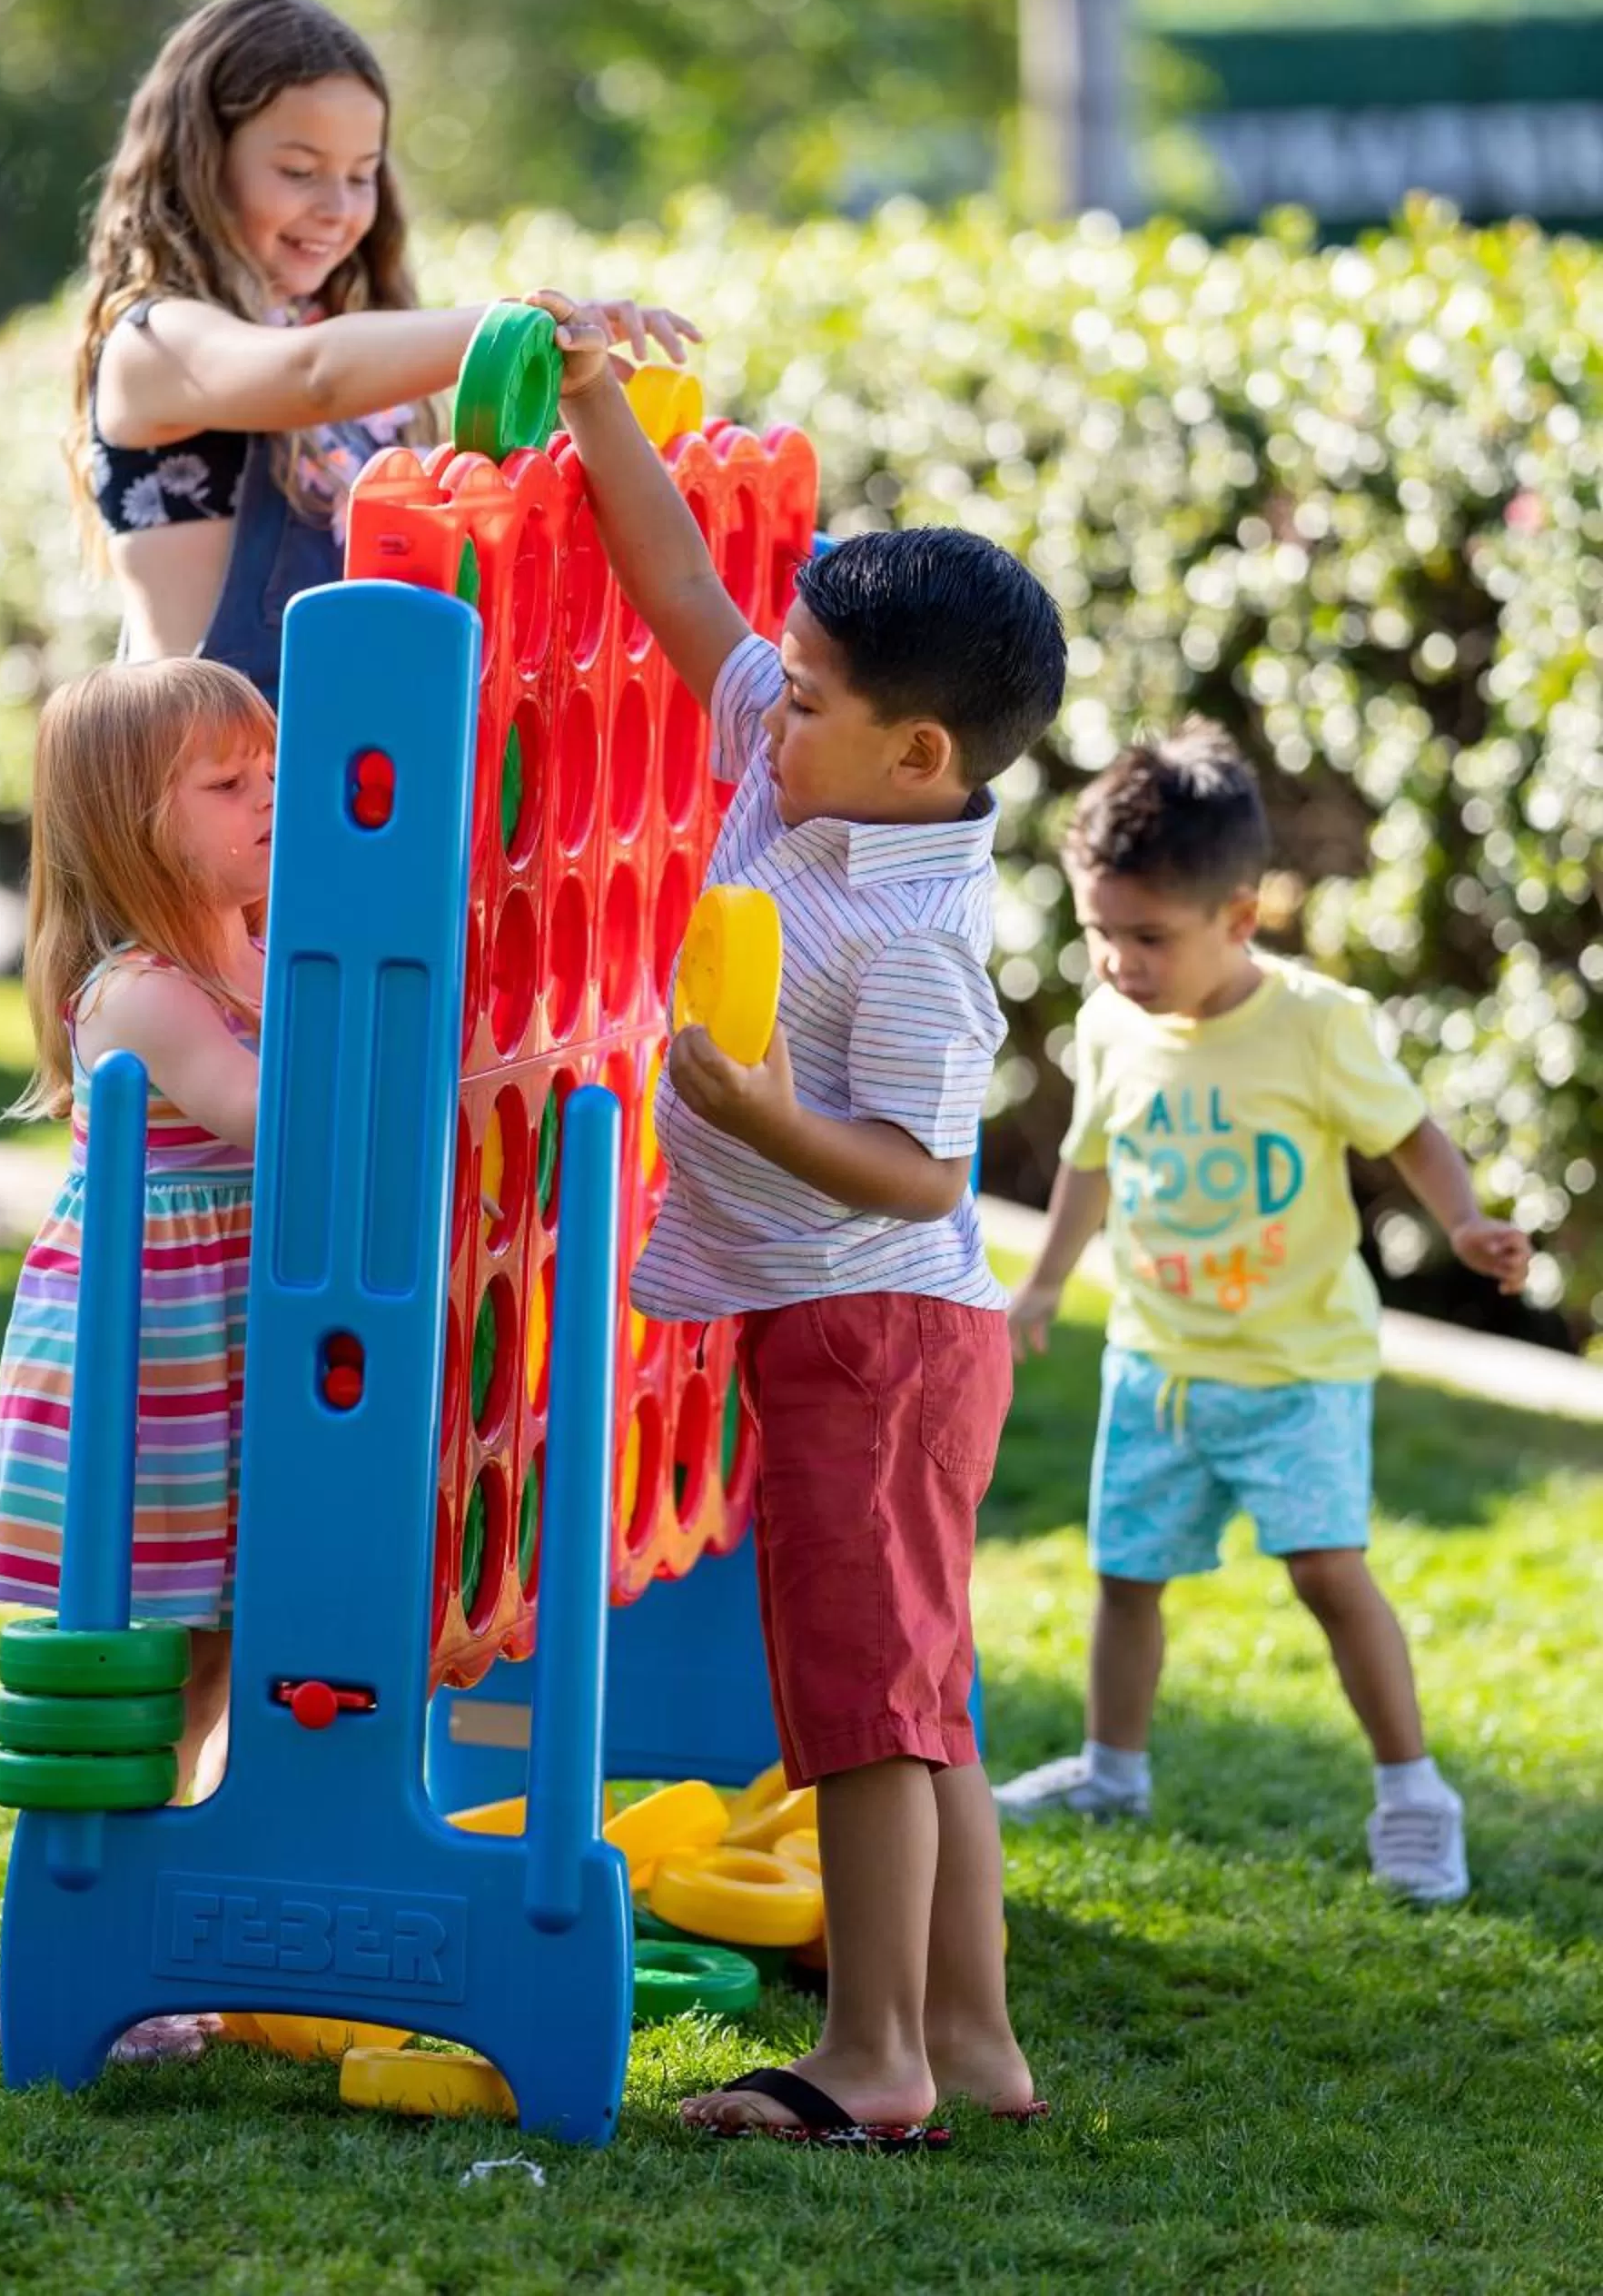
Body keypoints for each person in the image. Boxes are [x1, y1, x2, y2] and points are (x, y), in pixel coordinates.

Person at [531, 289, 1066, 2150]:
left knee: (857, 1715)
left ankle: (872, 2063)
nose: (777, 704)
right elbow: (685, 596)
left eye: (817, 697)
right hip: (853, 1328)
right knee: (920, 1704)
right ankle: (976, 2046)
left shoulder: (912, 935)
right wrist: (599, 403)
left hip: (879, 1330)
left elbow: (925, 1170)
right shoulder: (802, 754)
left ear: (921, 756)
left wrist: (757, 1111)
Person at [994, 722, 1530, 1905]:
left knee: (1328, 1574)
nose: (1120, 962)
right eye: (1099, 932)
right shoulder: (1110, 1024)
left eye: (1149, 937)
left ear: (1239, 918)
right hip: (1157, 1365)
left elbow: (1412, 1132)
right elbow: (1090, 1158)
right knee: (1126, 1577)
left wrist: (1464, 1223)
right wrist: (1043, 1284)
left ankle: (1412, 1793)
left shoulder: (1316, 1024)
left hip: (1295, 1372)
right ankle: (1111, 1770)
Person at [74, 0, 696, 693]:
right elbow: (313, 376)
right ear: (200, 161)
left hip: (355, 775)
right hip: (211, 783)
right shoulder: (156, 343)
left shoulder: (349, 348)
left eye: (361, 175)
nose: (337, 208)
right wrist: (516, 327)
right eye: (300, 172)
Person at [0, 656, 277, 2063]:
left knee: (212, 1653)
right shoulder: (146, 991)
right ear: (126, 827)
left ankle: (159, 1933)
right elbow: (267, 1113)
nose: (269, 794)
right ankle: (66, 1943)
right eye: (227, 784)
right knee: (130, 1659)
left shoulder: (257, 938)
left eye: (269, 765)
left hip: (221, 1350)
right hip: (139, 1360)